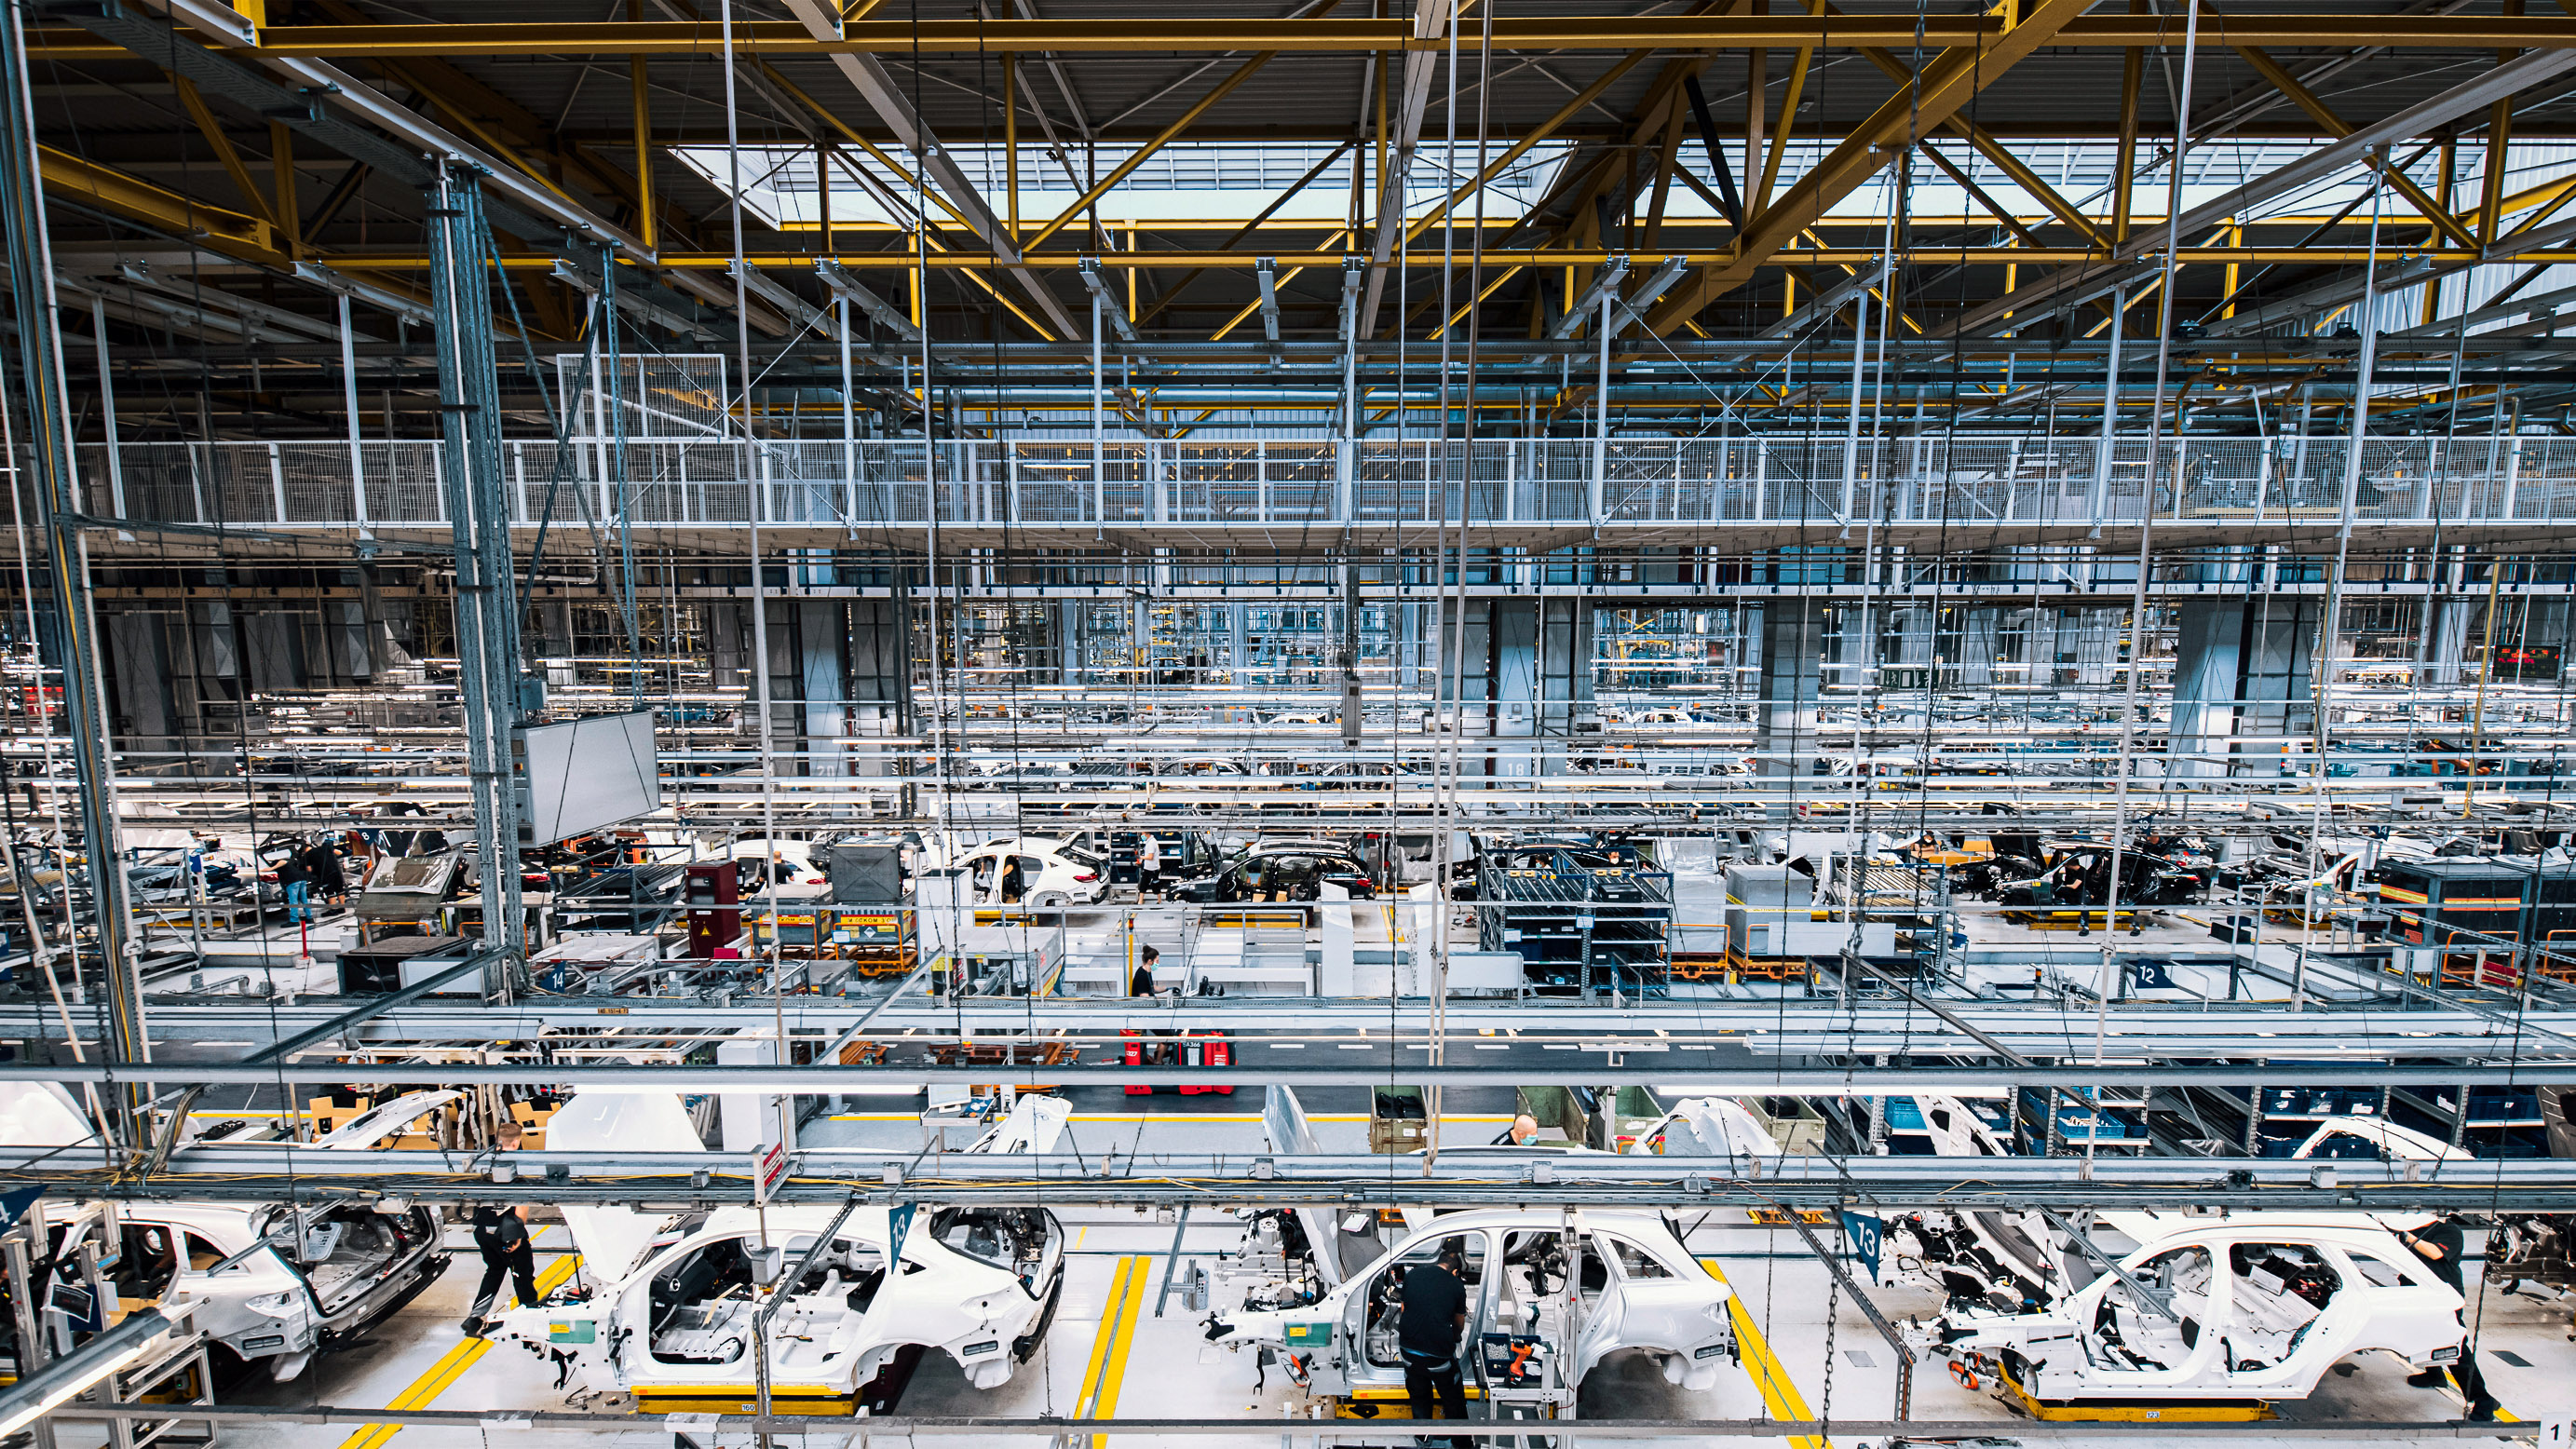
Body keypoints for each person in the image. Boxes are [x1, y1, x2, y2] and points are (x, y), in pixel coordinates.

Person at [2398, 1215, 2501, 1421]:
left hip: (2442, 1296)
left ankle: (2482, 1399)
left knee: (2456, 1348)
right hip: (2418, 1292)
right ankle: (2434, 1374)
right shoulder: (2417, 1227)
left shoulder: (2450, 1231)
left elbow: (2435, 1253)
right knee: (2424, 1337)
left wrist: (2407, 1237)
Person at [1396, 1242, 1471, 1447]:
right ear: (1455, 1271)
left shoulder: (1413, 1276)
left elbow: (1404, 1309)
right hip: (1438, 1358)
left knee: (1419, 1396)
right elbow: (1458, 1324)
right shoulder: (1456, 1286)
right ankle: (1462, 1442)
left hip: (1408, 1352)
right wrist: (1454, 1338)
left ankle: (1422, 1440)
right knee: (1453, 1397)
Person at [463, 1196, 539, 1338]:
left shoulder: (485, 1178)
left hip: (480, 1229)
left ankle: (475, 1317)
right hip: (504, 1230)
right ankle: (530, 1315)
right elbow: (521, 1204)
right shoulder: (513, 1180)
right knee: (522, 1273)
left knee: (495, 1270)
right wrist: (517, 1237)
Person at [275, 847, 312, 924]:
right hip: (302, 879)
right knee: (304, 899)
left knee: (293, 901)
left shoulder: (280, 865)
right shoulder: (291, 864)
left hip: (292, 882)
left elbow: (270, 869)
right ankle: (309, 917)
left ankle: (294, 920)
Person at [1137, 833, 1163, 898]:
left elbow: (1150, 857)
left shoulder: (1151, 843)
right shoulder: (1149, 842)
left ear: (1147, 834)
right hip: (1149, 867)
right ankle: (1140, 902)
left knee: (1154, 885)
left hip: (1152, 868)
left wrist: (1140, 857)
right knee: (1145, 885)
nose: (1141, 835)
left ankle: (1159, 902)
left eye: (1142, 834)